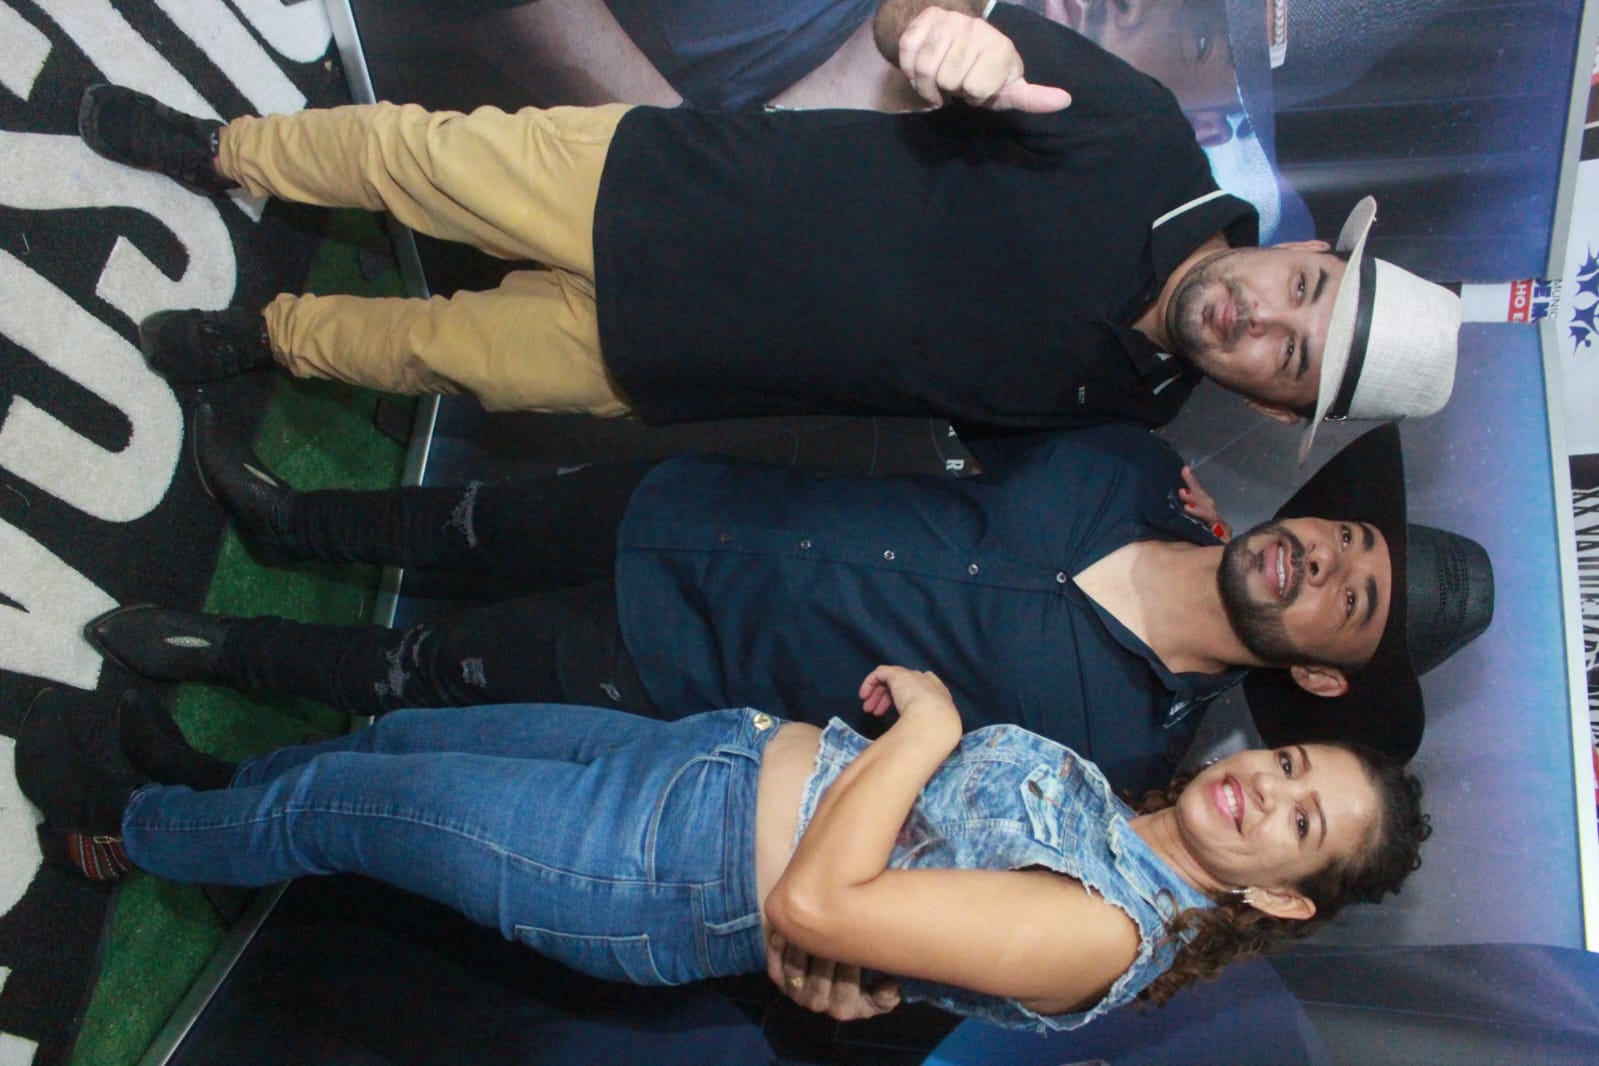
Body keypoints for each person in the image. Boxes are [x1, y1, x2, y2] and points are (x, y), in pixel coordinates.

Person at [77, 0, 1458, 458]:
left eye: (1291, 356)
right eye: (1306, 290)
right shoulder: (1141, 135)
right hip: (668, 181)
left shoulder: (1130, 409)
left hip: (674, 360)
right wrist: (943, 39)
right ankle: (218, 150)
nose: (1263, 317)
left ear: (1274, 402)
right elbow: (910, 23)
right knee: (408, 157)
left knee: (435, 354)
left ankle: (266, 337)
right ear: (1309, 250)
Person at [88, 412, 1492, 792]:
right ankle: (286, 517)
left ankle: (229, 647)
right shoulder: (1131, 462)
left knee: (426, 667)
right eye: (1345, 536)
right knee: (459, 517)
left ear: (1322, 675)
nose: (1323, 560)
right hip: (700, 502)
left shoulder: (1119, 753)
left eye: (1354, 599)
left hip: (668, 659)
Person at [16, 664, 1431, 1031]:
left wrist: (929, 730)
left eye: (1301, 820)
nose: (1264, 789)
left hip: (645, 868)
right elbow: (876, 933)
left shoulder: (1109, 930)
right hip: (697, 760)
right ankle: (206, 798)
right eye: (1289, 762)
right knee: (385, 750)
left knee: (336, 814)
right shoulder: (1118, 820)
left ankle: (134, 832)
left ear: (1282, 898)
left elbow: (820, 898)